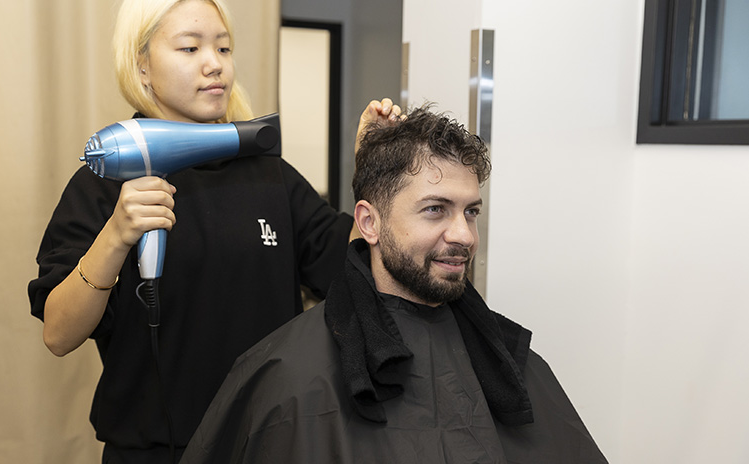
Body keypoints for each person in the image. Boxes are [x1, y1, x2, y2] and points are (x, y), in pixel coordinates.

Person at [27, 0, 400, 462]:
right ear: (142, 67)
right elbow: (59, 335)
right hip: (155, 450)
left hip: (271, 438)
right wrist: (116, 234)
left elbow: (359, 269)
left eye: (223, 48)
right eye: (190, 48)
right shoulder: (104, 181)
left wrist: (379, 176)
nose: (214, 63)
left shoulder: (268, 175)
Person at [179, 106, 609, 464]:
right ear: (369, 222)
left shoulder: (512, 367)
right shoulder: (286, 374)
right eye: (436, 210)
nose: (464, 235)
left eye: (471, 212)